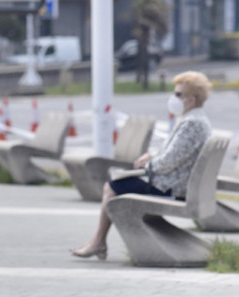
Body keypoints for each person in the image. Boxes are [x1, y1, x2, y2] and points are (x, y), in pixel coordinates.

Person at [71, 71, 212, 260]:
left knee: (112, 188)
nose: (173, 98)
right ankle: (98, 242)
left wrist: (145, 168)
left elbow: (169, 162)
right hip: (175, 184)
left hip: (171, 188)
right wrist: (151, 155)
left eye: (178, 94)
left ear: (192, 100)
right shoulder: (196, 120)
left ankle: (98, 242)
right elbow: (174, 153)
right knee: (116, 185)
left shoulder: (192, 124)